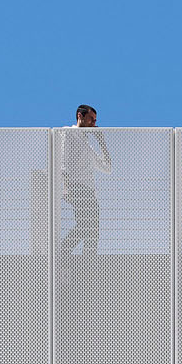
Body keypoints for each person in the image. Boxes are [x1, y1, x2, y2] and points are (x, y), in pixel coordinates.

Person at [60, 104, 111, 259]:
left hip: (90, 192)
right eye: (91, 120)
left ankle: (89, 262)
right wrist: (66, 187)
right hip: (76, 188)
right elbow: (62, 160)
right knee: (84, 226)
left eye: (95, 121)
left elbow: (107, 168)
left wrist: (102, 142)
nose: (93, 124)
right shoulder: (68, 133)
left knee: (93, 229)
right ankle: (62, 252)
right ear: (80, 116)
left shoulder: (88, 145)